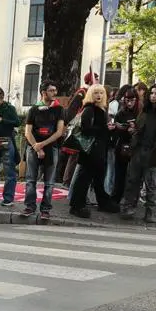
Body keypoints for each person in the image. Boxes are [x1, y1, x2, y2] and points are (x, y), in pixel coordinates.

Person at [121, 83, 156, 222]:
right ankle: (129, 207)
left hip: (154, 152)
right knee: (132, 181)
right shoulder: (145, 110)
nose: (153, 96)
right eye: (151, 93)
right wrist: (134, 131)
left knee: (152, 184)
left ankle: (150, 211)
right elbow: (139, 129)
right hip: (139, 150)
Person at [21, 83, 65, 217]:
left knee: (49, 181)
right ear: (43, 92)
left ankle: (45, 209)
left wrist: (43, 144)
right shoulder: (34, 109)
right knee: (30, 179)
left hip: (51, 148)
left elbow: (59, 132)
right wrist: (36, 147)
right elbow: (27, 132)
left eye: (55, 90)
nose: (54, 93)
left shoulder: (59, 109)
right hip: (33, 147)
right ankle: (30, 206)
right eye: (51, 90)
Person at [68, 84, 110, 219]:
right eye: (96, 92)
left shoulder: (100, 109)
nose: (99, 95)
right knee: (84, 179)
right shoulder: (89, 109)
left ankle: (102, 202)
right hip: (90, 151)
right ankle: (76, 206)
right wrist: (104, 128)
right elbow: (86, 129)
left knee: (98, 178)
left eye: (101, 93)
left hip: (98, 150)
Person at [103, 85, 140, 212]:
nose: (129, 103)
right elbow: (116, 131)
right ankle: (116, 200)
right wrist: (121, 128)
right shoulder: (121, 113)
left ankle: (131, 201)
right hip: (122, 148)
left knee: (134, 177)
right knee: (120, 175)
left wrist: (134, 130)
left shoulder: (140, 113)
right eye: (127, 100)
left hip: (136, 148)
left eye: (132, 100)